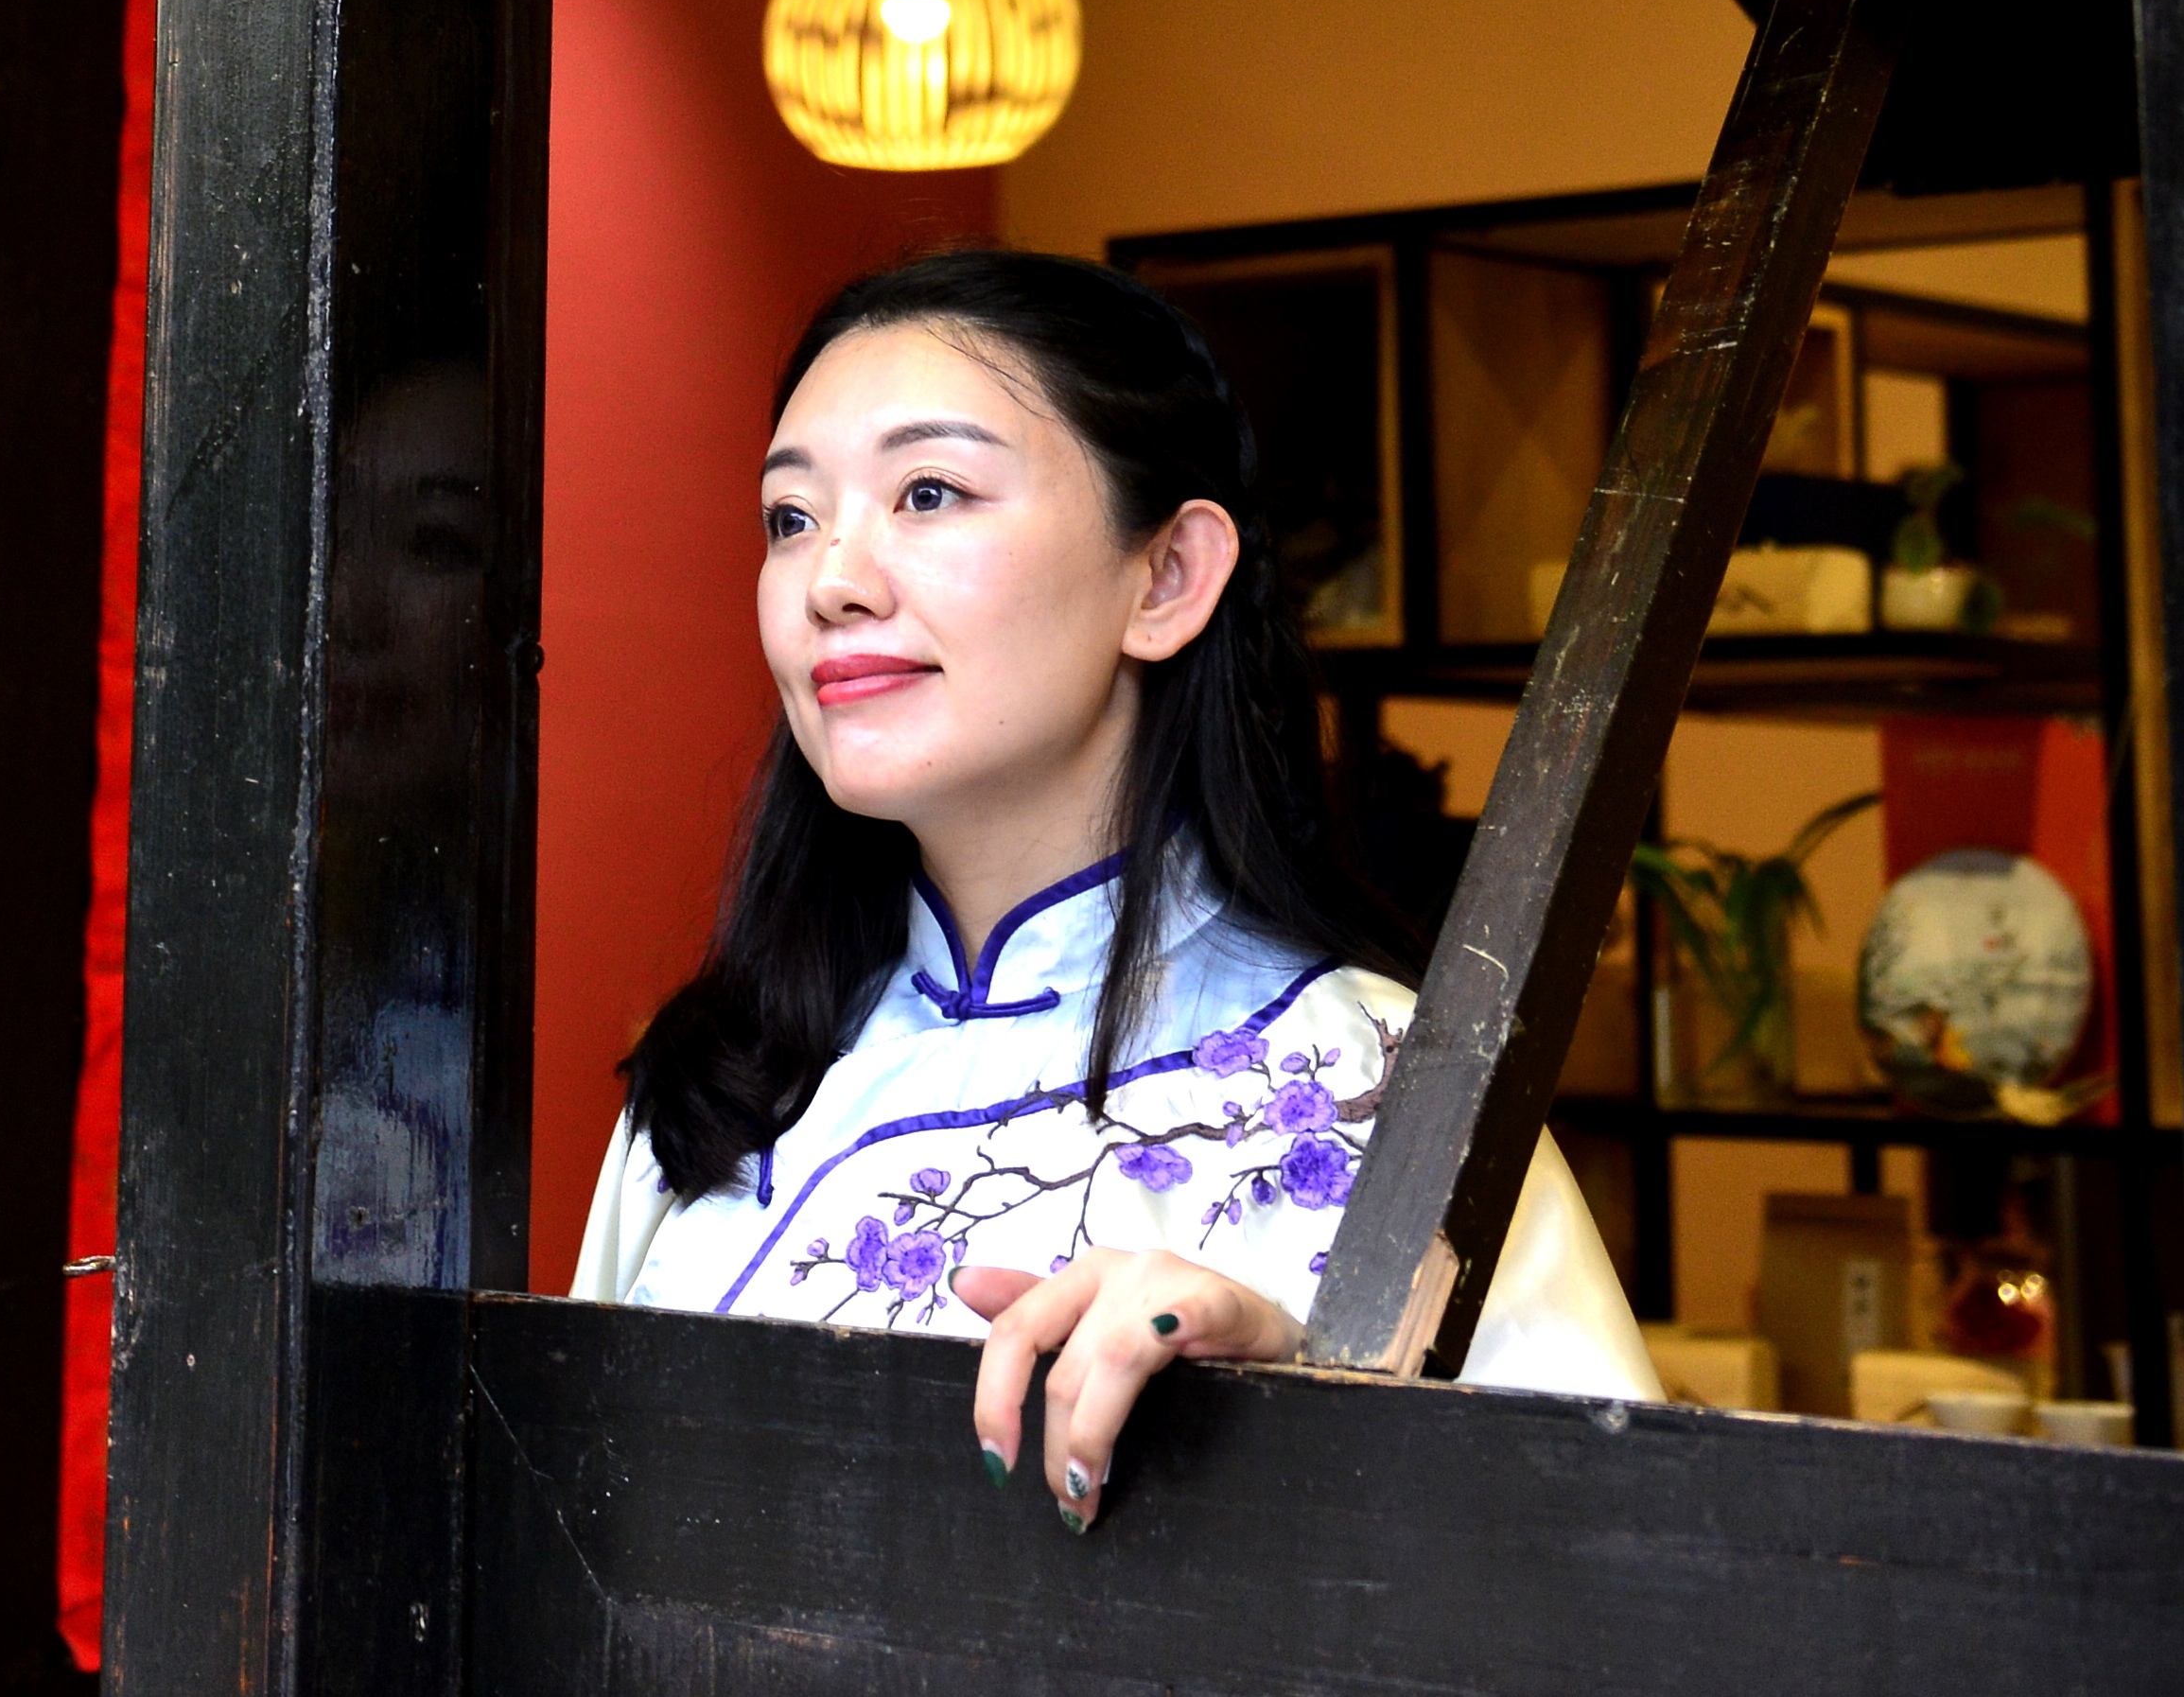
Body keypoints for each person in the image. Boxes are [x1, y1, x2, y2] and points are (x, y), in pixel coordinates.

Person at [571, 247, 1655, 1530]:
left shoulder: (1391, 1092)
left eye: (929, 492)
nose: (832, 583)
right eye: (790, 518)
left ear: (1169, 576)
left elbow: (1607, 1575)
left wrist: (1300, 1423)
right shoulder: (726, 1083)